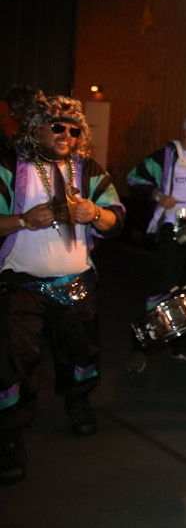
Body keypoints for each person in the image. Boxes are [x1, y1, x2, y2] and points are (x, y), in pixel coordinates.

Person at [0, 94, 124, 484]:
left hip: (76, 283)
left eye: (74, 128)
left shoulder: (87, 169)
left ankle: (78, 402)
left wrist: (97, 214)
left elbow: (117, 219)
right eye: (58, 126)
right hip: (21, 284)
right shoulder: (8, 166)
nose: (67, 134)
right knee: (15, 361)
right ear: (36, 126)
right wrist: (22, 220)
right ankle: (9, 434)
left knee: (81, 351)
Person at [126, 111, 186, 371]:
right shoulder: (167, 156)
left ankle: (182, 345)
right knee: (165, 285)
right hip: (173, 227)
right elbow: (134, 177)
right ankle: (140, 345)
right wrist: (156, 194)